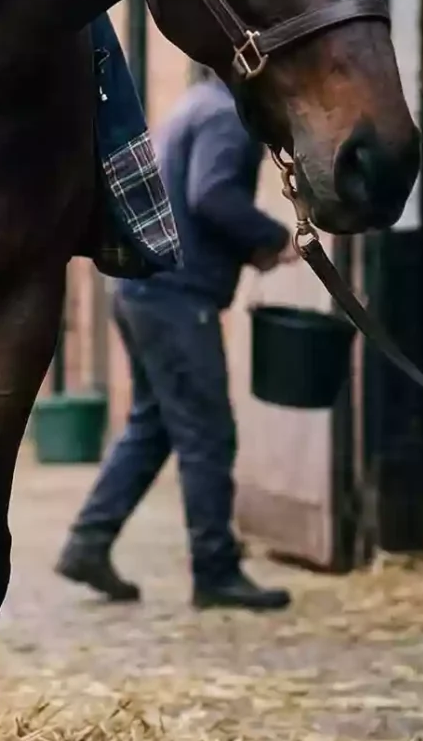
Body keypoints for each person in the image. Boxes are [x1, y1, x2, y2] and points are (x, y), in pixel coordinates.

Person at [54, 70, 295, 612]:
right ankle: (215, 572)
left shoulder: (196, 104)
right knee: (208, 433)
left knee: (154, 423)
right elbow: (210, 196)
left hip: (143, 290)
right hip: (175, 295)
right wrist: (273, 238)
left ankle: (88, 543)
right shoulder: (228, 117)